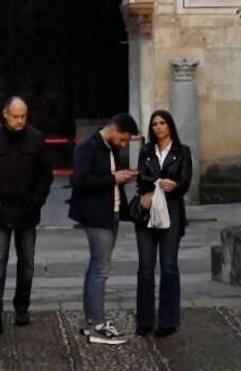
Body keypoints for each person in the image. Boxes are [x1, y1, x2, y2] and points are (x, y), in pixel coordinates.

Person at [0, 95, 53, 334]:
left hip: (27, 212)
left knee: (27, 262)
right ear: (5, 114)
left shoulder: (36, 139)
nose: (20, 121)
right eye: (16, 116)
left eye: (23, 116)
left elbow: (45, 175)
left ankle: (22, 308)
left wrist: (36, 203)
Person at [68, 112, 139, 346]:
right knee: (101, 271)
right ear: (115, 129)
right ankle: (98, 325)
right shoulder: (87, 148)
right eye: (124, 139)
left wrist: (120, 179)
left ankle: (90, 320)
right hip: (96, 216)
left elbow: (108, 179)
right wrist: (113, 179)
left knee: (95, 268)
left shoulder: (110, 148)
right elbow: (81, 182)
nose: (124, 144)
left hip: (112, 213)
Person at [134, 109, 193, 338]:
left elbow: (185, 181)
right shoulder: (146, 151)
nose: (158, 127)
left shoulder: (182, 152)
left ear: (170, 126)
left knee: (169, 266)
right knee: (145, 268)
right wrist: (157, 182)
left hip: (172, 210)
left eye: (162, 123)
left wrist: (174, 186)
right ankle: (144, 320)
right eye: (154, 123)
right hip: (148, 211)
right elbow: (141, 177)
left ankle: (169, 320)